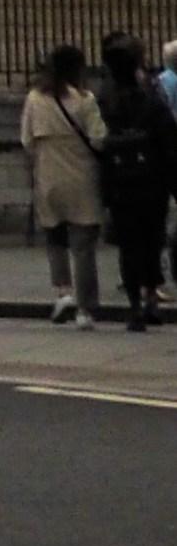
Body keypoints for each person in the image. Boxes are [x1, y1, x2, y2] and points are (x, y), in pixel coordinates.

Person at [20, 44, 108, 327]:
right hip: (82, 178)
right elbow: (99, 139)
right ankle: (85, 309)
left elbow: (27, 142)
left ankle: (62, 291)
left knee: (55, 238)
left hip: (48, 177)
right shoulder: (85, 100)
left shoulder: (35, 98)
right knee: (83, 246)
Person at [93, 34, 169, 333]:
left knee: (129, 245)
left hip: (119, 182)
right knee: (152, 240)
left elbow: (98, 142)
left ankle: (135, 305)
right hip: (152, 181)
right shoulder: (151, 97)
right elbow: (168, 139)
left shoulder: (104, 99)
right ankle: (152, 298)